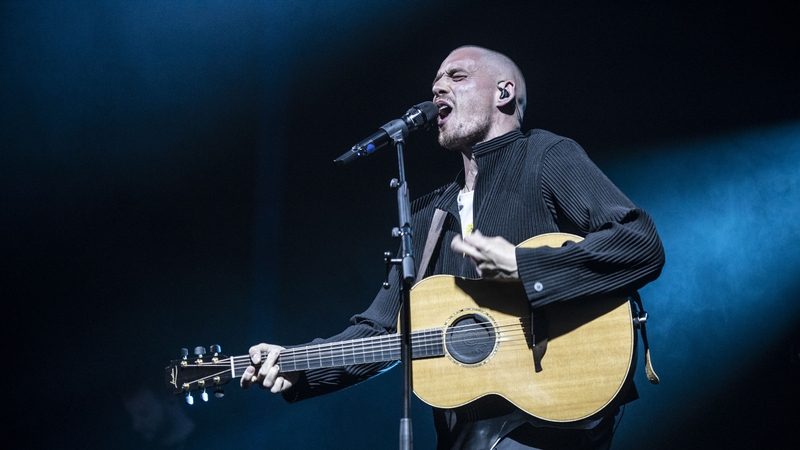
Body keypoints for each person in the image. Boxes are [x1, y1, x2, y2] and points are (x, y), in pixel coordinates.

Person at [241, 45, 665, 449]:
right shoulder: (429, 215)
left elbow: (639, 241)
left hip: (554, 410)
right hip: (469, 433)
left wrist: (526, 268)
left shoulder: (545, 155)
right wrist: (301, 364)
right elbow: (383, 330)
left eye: (457, 76)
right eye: (435, 83)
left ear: (504, 91)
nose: (438, 87)